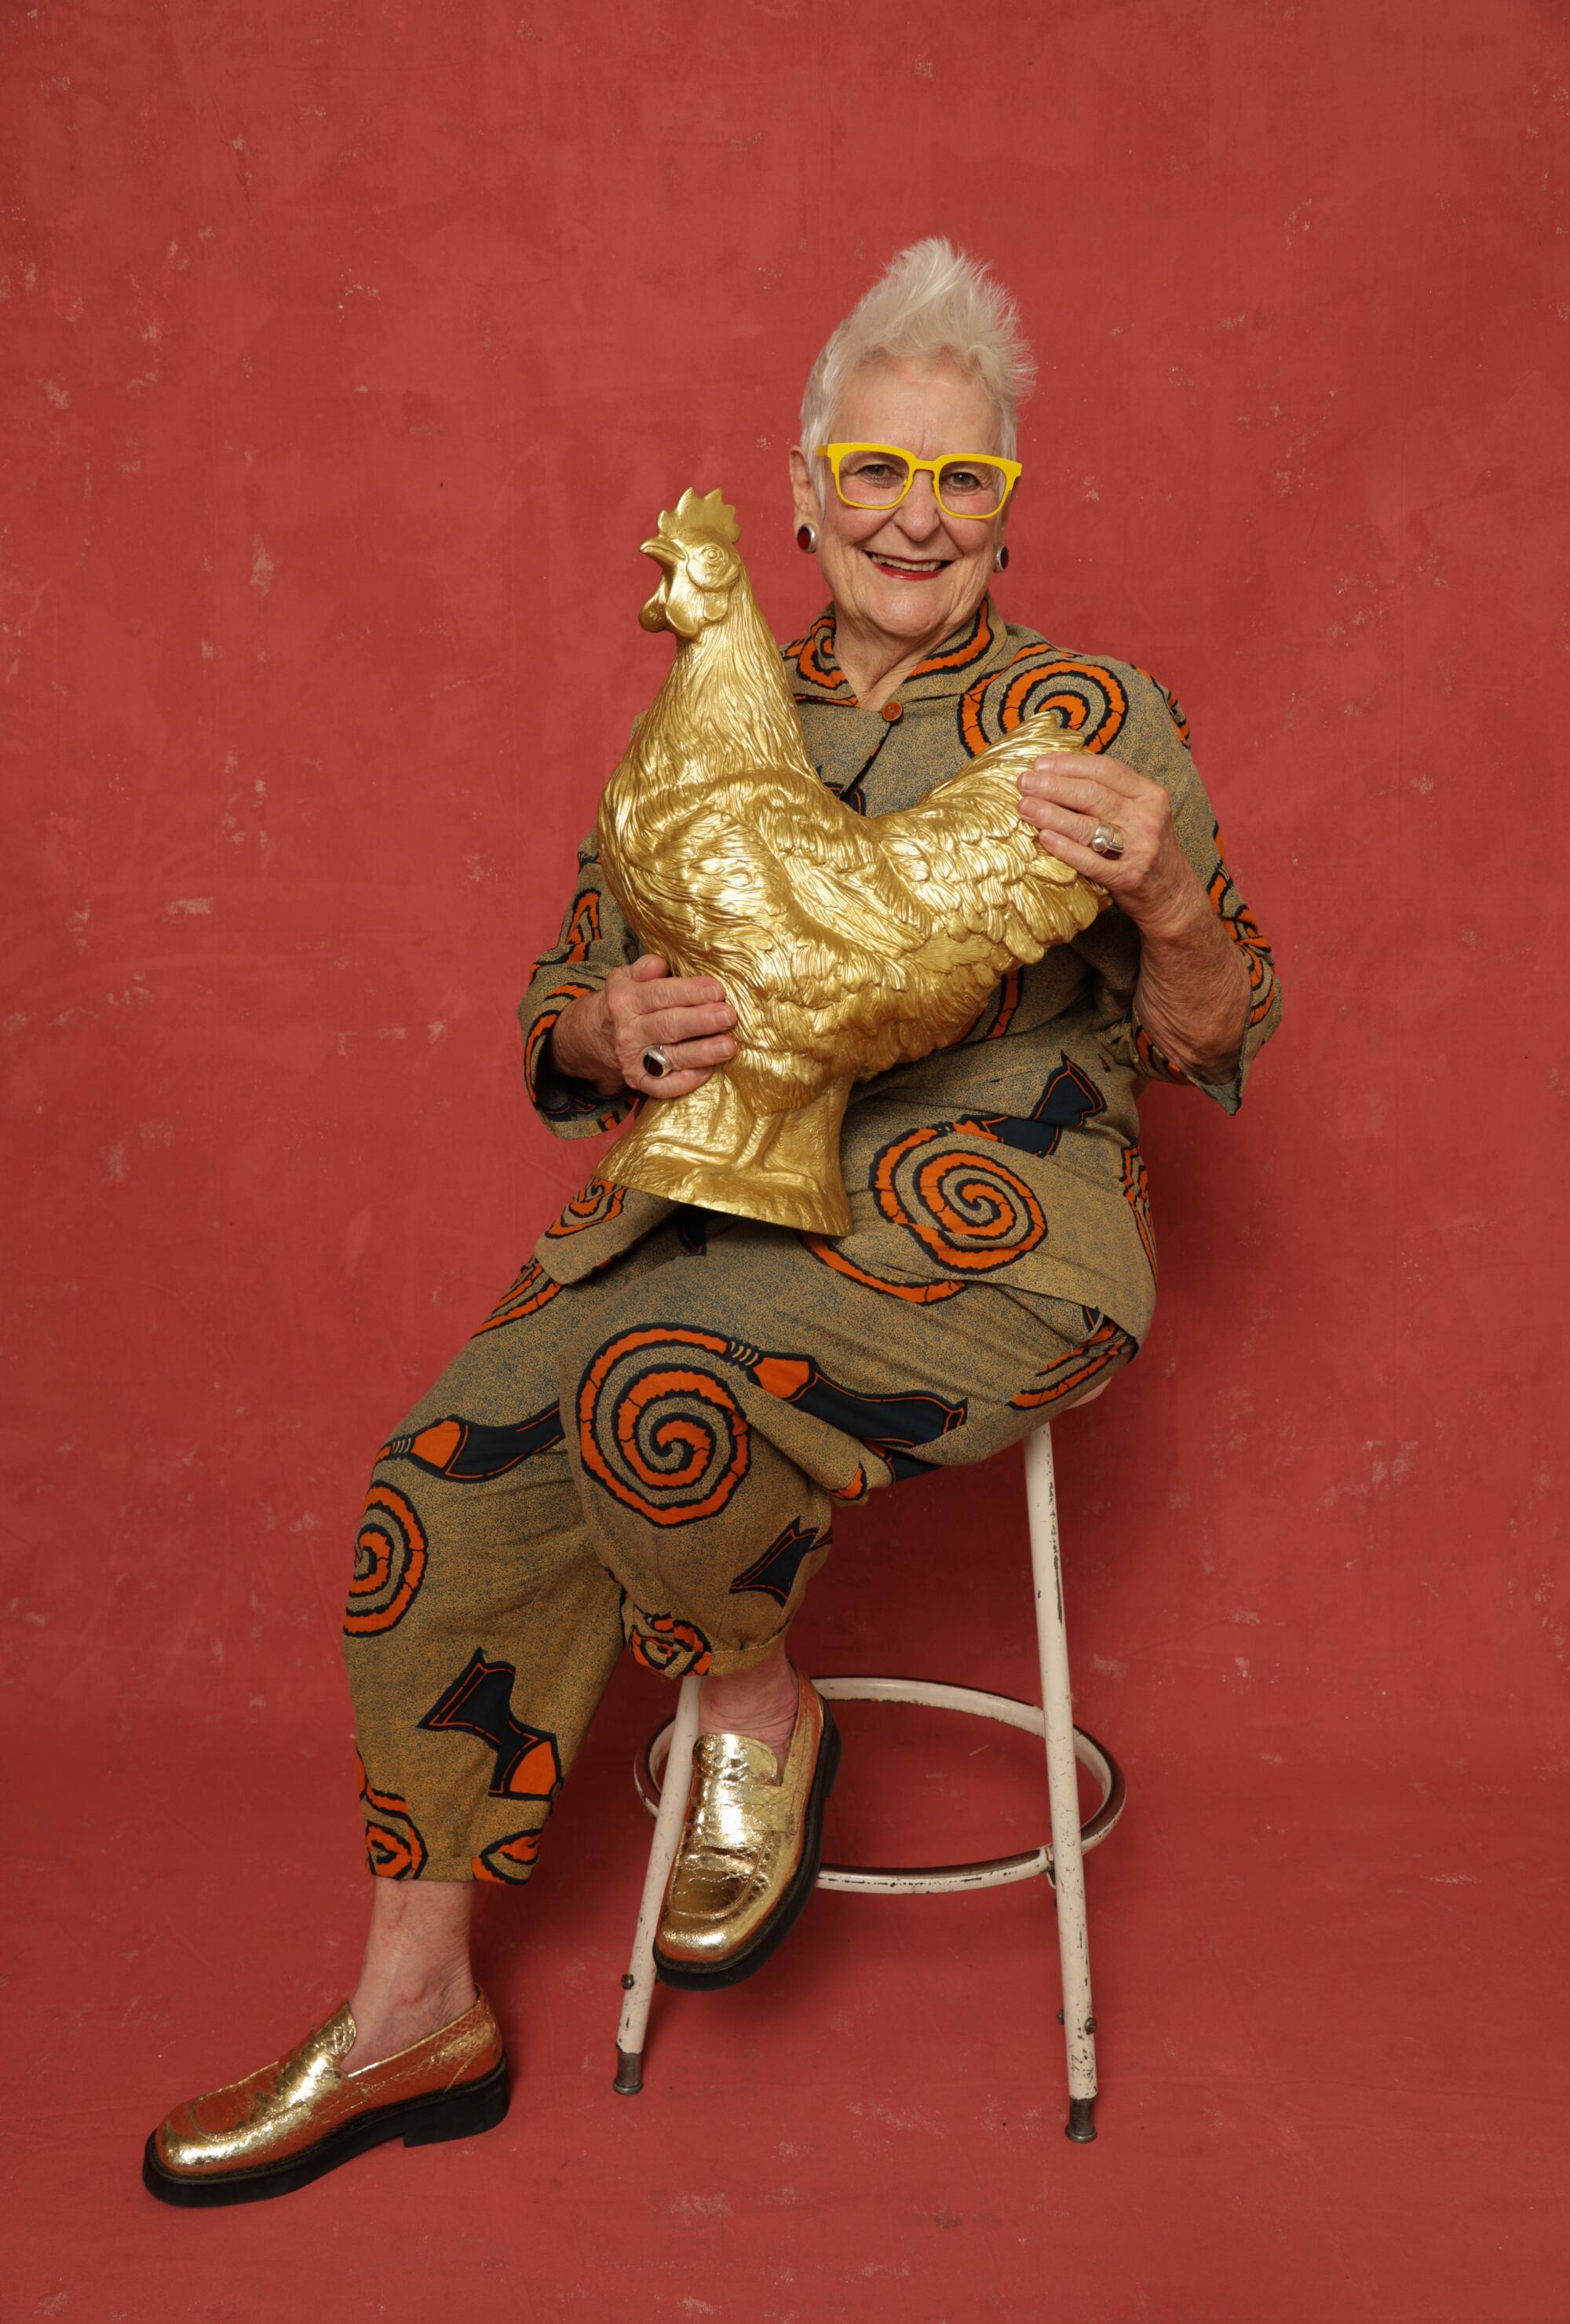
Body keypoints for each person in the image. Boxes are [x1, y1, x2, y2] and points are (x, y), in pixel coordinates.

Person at [144, 238, 1282, 2203]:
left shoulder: (1091, 720)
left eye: (961, 482)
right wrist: (602, 1027)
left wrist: (1173, 901)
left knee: (657, 1384)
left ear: (1009, 510)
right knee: (443, 1460)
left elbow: (1216, 1026)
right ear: (803, 489)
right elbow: (558, 1006)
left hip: (986, 1232)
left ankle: (753, 1698)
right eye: (876, 471)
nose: (913, 519)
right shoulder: (697, 713)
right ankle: (415, 2009)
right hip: (704, 1200)